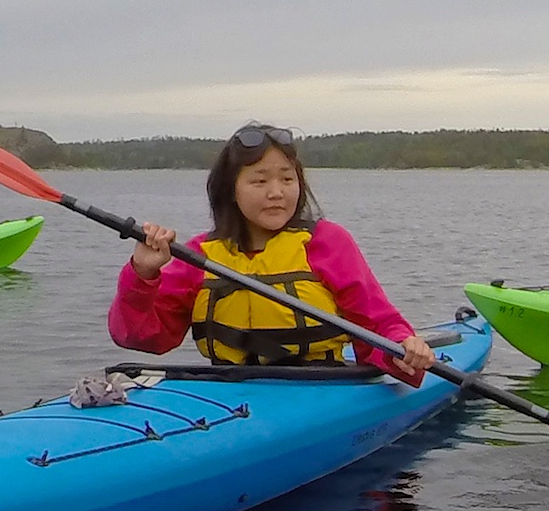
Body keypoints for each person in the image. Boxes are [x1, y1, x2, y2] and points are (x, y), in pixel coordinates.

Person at [109, 123, 437, 378]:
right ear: (231, 191)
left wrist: (402, 346)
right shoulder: (200, 254)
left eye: (287, 179)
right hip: (228, 388)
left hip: (321, 386)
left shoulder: (326, 242)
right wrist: (143, 274)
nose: (276, 193)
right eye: (259, 181)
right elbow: (142, 338)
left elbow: (378, 323)